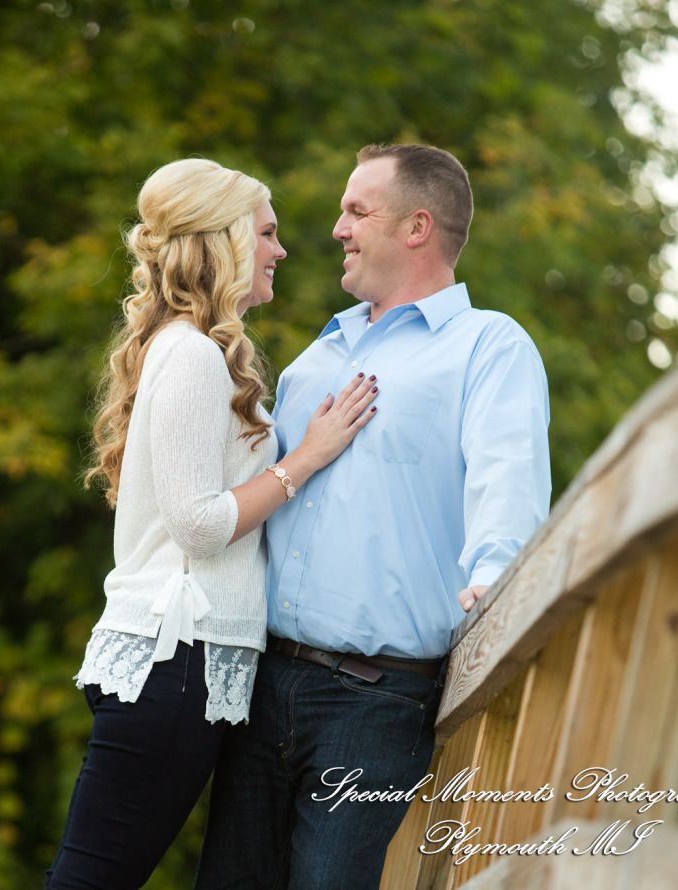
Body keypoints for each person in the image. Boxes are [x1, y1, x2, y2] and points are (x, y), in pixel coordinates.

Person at [196, 143, 551, 889]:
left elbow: (507, 484)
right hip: (260, 684)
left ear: (417, 226)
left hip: (376, 701)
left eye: (356, 210)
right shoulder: (315, 359)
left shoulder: (488, 346)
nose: (336, 229)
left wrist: (496, 582)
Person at [44, 158, 379, 890]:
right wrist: (307, 460)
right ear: (225, 240)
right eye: (266, 232)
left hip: (181, 661)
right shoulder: (194, 355)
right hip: (176, 657)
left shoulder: (188, 348)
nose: (281, 249)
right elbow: (198, 524)